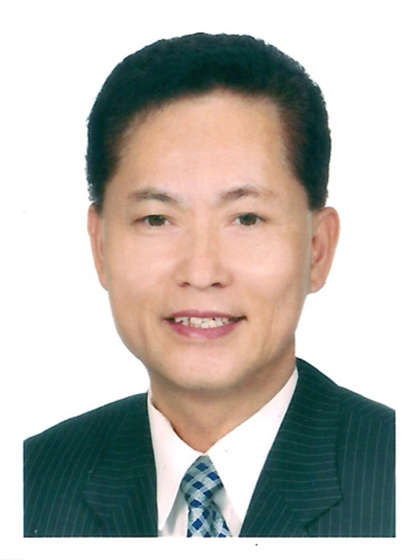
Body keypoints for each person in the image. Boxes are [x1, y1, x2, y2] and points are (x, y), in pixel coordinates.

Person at [24, 32, 395, 538]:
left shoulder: (399, 477)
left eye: (246, 219)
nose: (201, 272)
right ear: (100, 246)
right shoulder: (30, 486)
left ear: (317, 248)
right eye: (157, 219)